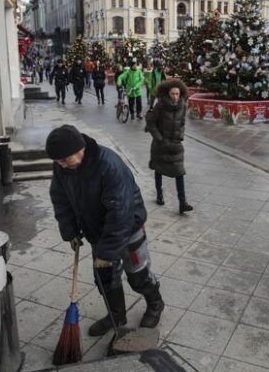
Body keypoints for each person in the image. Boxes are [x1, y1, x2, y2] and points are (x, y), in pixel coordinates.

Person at [46, 125, 164, 336]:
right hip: (96, 231)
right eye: (57, 161)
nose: (61, 164)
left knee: (138, 275)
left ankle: (155, 303)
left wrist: (107, 253)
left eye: (64, 159)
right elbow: (60, 200)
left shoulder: (109, 165)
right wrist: (70, 230)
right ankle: (116, 315)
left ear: (80, 149)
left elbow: (120, 213)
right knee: (105, 278)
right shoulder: (62, 168)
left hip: (128, 229)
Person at [145, 79, 193, 214]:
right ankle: (159, 195)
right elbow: (151, 123)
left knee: (180, 172)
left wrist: (181, 135)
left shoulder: (183, 105)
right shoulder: (160, 105)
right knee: (158, 169)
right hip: (160, 144)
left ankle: (183, 203)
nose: (175, 97)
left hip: (175, 144)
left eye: (177, 94)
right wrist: (159, 138)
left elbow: (183, 122)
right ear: (167, 93)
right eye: (173, 94)